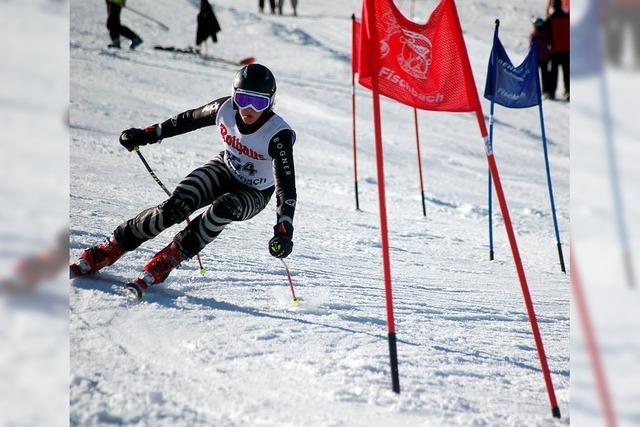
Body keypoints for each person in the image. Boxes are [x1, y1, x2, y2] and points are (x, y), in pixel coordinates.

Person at [70, 64, 298, 300]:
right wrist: (148, 134)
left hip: (255, 192)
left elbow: (286, 186)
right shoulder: (224, 109)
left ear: (270, 103)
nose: (248, 109)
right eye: (242, 99)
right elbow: (188, 119)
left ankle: (168, 259)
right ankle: (111, 247)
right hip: (223, 169)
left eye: (258, 103)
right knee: (176, 206)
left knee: (222, 209)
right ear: (233, 96)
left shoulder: (277, 134)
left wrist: (284, 228)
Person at [546, 0, 570, 100]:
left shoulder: (551, 19)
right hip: (566, 49)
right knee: (566, 72)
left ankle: (552, 92)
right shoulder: (567, 17)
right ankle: (568, 91)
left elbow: (547, 34)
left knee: (554, 72)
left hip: (555, 49)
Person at [529, 17, 551, 98]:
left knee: (534, 75)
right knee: (545, 74)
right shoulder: (546, 33)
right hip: (545, 57)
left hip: (536, 58)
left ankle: (533, 90)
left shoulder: (534, 35)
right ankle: (546, 90)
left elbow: (531, 46)